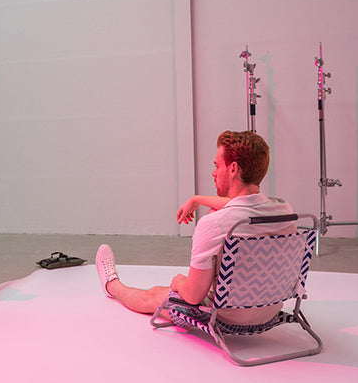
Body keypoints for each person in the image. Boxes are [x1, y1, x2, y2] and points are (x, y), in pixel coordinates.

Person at [96, 130, 296, 326]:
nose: (214, 172)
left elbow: (192, 296)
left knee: (154, 294)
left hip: (227, 317)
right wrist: (197, 199)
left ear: (233, 169)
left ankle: (112, 285)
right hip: (269, 309)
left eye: (218, 166)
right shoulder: (284, 209)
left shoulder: (215, 224)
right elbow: (243, 206)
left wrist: (179, 282)